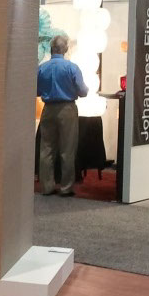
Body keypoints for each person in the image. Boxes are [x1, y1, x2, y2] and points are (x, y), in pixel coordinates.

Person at [37, 35, 88, 196]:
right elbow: (83, 91)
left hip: (48, 109)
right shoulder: (72, 68)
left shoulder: (41, 68)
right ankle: (66, 187)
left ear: (51, 49)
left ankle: (47, 186)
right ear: (65, 49)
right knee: (67, 149)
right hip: (67, 109)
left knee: (46, 148)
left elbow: (36, 90)